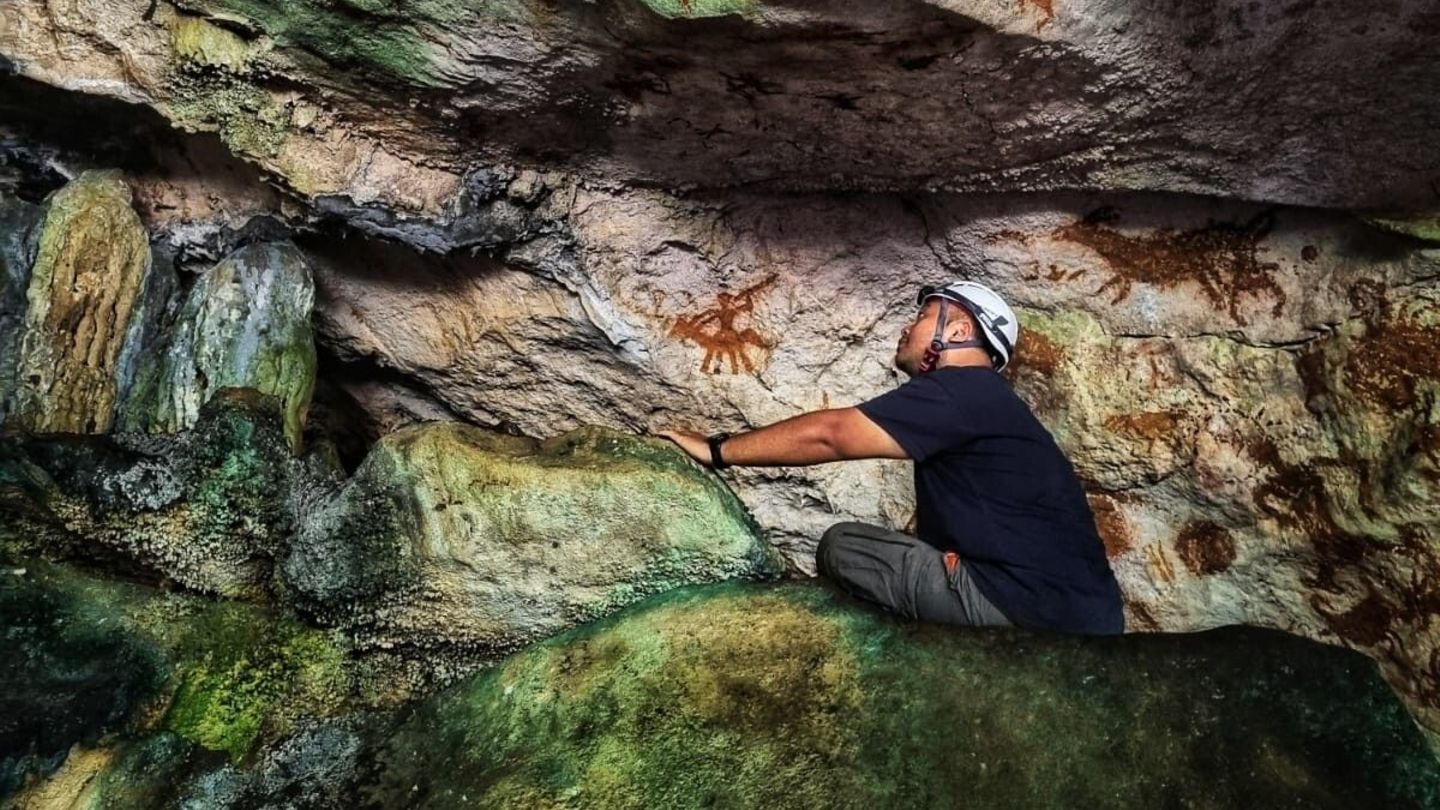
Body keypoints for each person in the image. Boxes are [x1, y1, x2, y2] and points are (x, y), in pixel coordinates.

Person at [654, 280, 1125, 635]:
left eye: (923, 316)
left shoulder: (962, 390)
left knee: (844, 546)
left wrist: (716, 450)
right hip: (1089, 616)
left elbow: (831, 435)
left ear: (958, 329)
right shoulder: (995, 404)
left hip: (1024, 610)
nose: (908, 326)